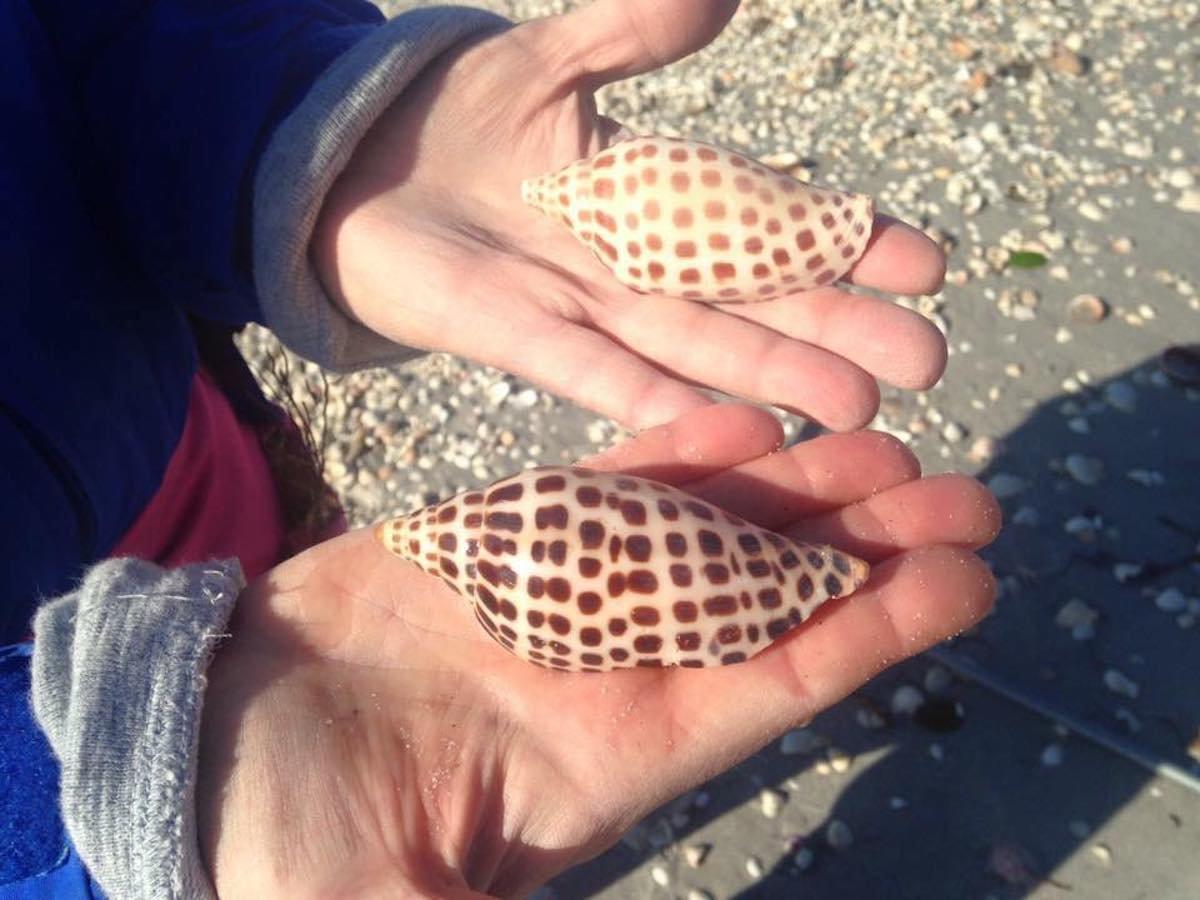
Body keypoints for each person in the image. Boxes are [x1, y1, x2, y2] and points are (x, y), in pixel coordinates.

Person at [0, 0, 999, 896]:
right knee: (428, 778)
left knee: (322, 629)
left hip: (204, 485)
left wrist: (317, 136)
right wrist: (112, 817)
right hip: (80, 749)